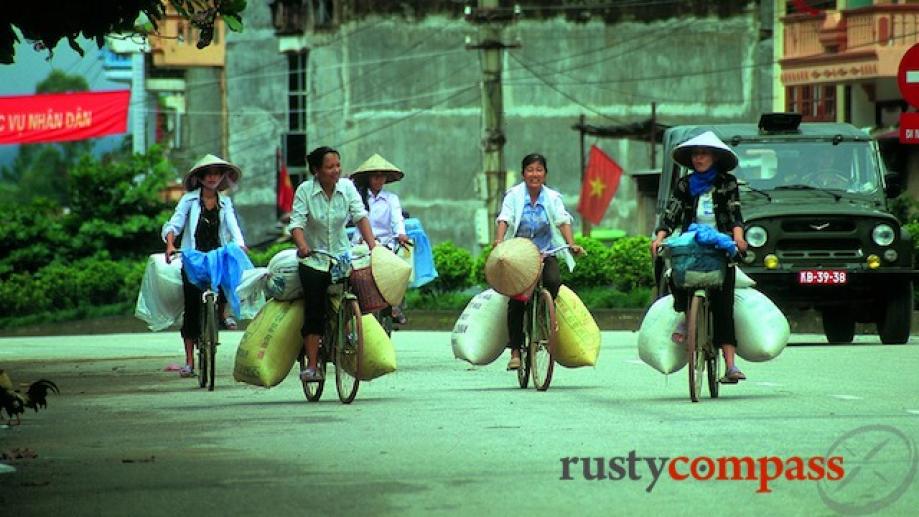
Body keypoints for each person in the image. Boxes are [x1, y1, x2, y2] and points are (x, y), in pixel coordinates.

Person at [650, 131, 749, 383]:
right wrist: (660, 237)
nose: (698, 158)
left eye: (704, 153)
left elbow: (734, 213)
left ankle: (730, 364)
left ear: (714, 157)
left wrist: (738, 238)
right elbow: (670, 213)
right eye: (695, 154)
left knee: (723, 304)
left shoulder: (727, 183)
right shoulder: (685, 185)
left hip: (721, 244)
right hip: (691, 243)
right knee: (674, 274)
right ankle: (687, 316)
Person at [288, 146, 376, 382]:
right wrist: (302, 245)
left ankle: (348, 338)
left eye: (338, 165)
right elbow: (296, 223)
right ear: (316, 170)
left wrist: (373, 246)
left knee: (358, 294)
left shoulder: (347, 188)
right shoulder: (305, 191)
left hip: (340, 257)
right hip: (314, 259)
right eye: (330, 167)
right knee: (314, 309)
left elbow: (360, 216)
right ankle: (313, 366)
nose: (336, 170)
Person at [494, 153, 585, 371]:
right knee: (517, 300)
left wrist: (571, 243)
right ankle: (515, 350)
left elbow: (562, 221)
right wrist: (498, 241)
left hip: (546, 251)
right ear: (523, 173)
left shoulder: (552, 198)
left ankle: (543, 318)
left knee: (553, 281)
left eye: (539, 170)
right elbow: (505, 218)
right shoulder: (514, 196)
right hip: (519, 254)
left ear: (545, 174)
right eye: (530, 170)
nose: (535, 174)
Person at [162, 154, 246, 378]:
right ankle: (189, 361)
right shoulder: (189, 200)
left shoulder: (225, 202)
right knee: (191, 308)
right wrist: (171, 244)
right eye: (207, 174)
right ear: (200, 177)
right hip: (193, 257)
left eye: (216, 173)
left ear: (221, 177)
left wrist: (240, 245)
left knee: (232, 270)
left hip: (217, 256)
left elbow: (233, 226)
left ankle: (222, 312)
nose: (212, 177)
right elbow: (174, 224)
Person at [349, 154, 411, 324]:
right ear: (369, 178)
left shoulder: (391, 199)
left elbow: (397, 218)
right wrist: (365, 239)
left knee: (397, 270)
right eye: (375, 175)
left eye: (382, 176)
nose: (379, 179)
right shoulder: (358, 198)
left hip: (385, 244)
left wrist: (401, 233)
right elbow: (356, 218)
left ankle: (394, 303)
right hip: (361, 244)